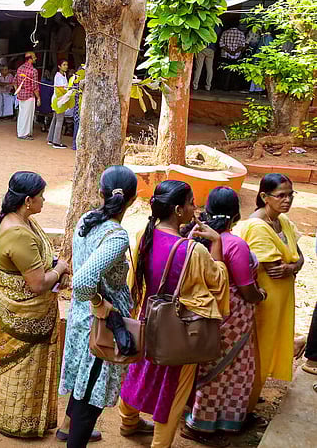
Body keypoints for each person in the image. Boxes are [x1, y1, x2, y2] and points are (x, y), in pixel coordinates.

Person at [119, 180, 229, 448]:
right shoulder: (194, 251)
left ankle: (127, 421)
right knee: (173, 390)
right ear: (179, 209)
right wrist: (215, 244)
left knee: (139, 370)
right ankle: (160, 443)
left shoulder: (144, 236)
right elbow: (218, 282)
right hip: (178, 327)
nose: (195, 207)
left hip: (149, 316)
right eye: (191, 203)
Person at [0, 171, 66, 438]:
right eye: (42, 196)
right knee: (22, 367)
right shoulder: (18, 233)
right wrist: (61, 268)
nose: (45, 200)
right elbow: (37, 284)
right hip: (26, 314)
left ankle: (13, 417)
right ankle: (16, 422)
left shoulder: (23, 222)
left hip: (29, 311)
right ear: (28, 200)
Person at [58, 165, 138, 446]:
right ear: (133, 199)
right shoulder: (116, 236)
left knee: (83, 381)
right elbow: (82, 280)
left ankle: (68, 429)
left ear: (99, 193)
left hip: (81, 318)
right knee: (90, 395)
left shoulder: (86, 220)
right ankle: (75, 439)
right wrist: (100, 303)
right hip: (100, 322)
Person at [182, 187, 266, 445]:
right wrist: (260, 295)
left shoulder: (195, 236)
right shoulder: (234, 244)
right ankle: (206, 425)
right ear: (236, 214)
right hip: (233, 316)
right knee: (229, 371)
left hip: (203, 312)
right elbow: (245, 287)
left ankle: (195, 414)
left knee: (206, 367)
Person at [234, 173, 304, 416]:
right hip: (265, 301)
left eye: (290, 195)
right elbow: (275, 267)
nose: (287, 201)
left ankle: (252, 396)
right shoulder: (256, 226)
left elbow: (297, 256)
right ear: (264, 197)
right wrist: (292, 265)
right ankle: (245, 404)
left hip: (281, 300)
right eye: (281, 195)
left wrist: (292, 266)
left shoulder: (282, 222)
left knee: (268, 347)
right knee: (258, 350)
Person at [15, 52, 40, 139]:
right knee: (28, 115)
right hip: (29, 95)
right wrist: (39, 98)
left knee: (22, 114)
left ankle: (21, 132)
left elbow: (15, 81)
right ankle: (24, 134)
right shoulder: (33, 71)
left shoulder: (19, 69)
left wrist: (17, 91)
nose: (36, 58)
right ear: (30, 59)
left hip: (21, 94)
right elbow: (35, 87)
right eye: (34, 57)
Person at [48, 59, 70, 149]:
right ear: (59, 66)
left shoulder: (64, 75)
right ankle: (56, 142)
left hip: (60, 99)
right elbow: (61, 88)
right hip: (59, 99)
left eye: (66, 65)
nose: (66, 66)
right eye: (64, 65)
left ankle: (50, 138)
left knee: (55, 119)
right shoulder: (58, 76)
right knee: (59, 120)